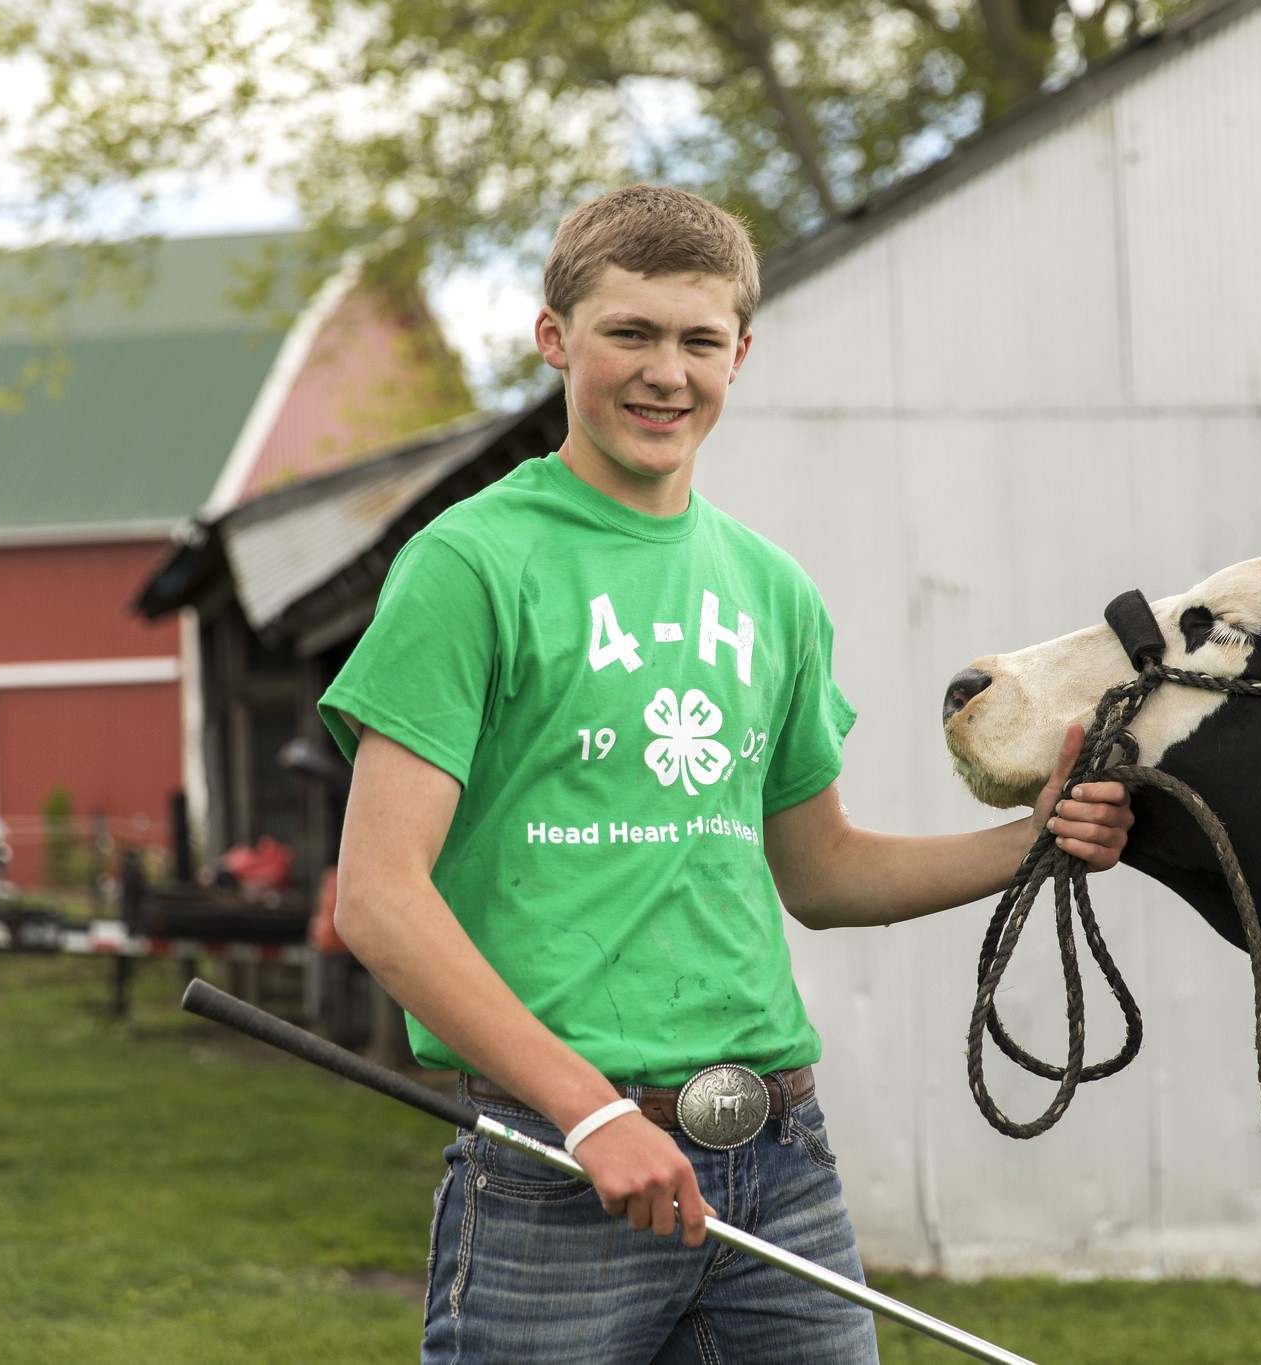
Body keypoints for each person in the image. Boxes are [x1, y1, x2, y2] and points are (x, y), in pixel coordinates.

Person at [319, 184, 1134, 1364]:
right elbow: (380, 896)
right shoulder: (468, 566)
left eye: (699, 341)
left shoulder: (771, 589)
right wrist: (587, 1109)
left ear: (739, 354)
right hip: (563, 1171)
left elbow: (820, 870)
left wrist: (1034, 844)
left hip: (780, 1155)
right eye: (629, 334)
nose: (666, 372)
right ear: (555, 340)